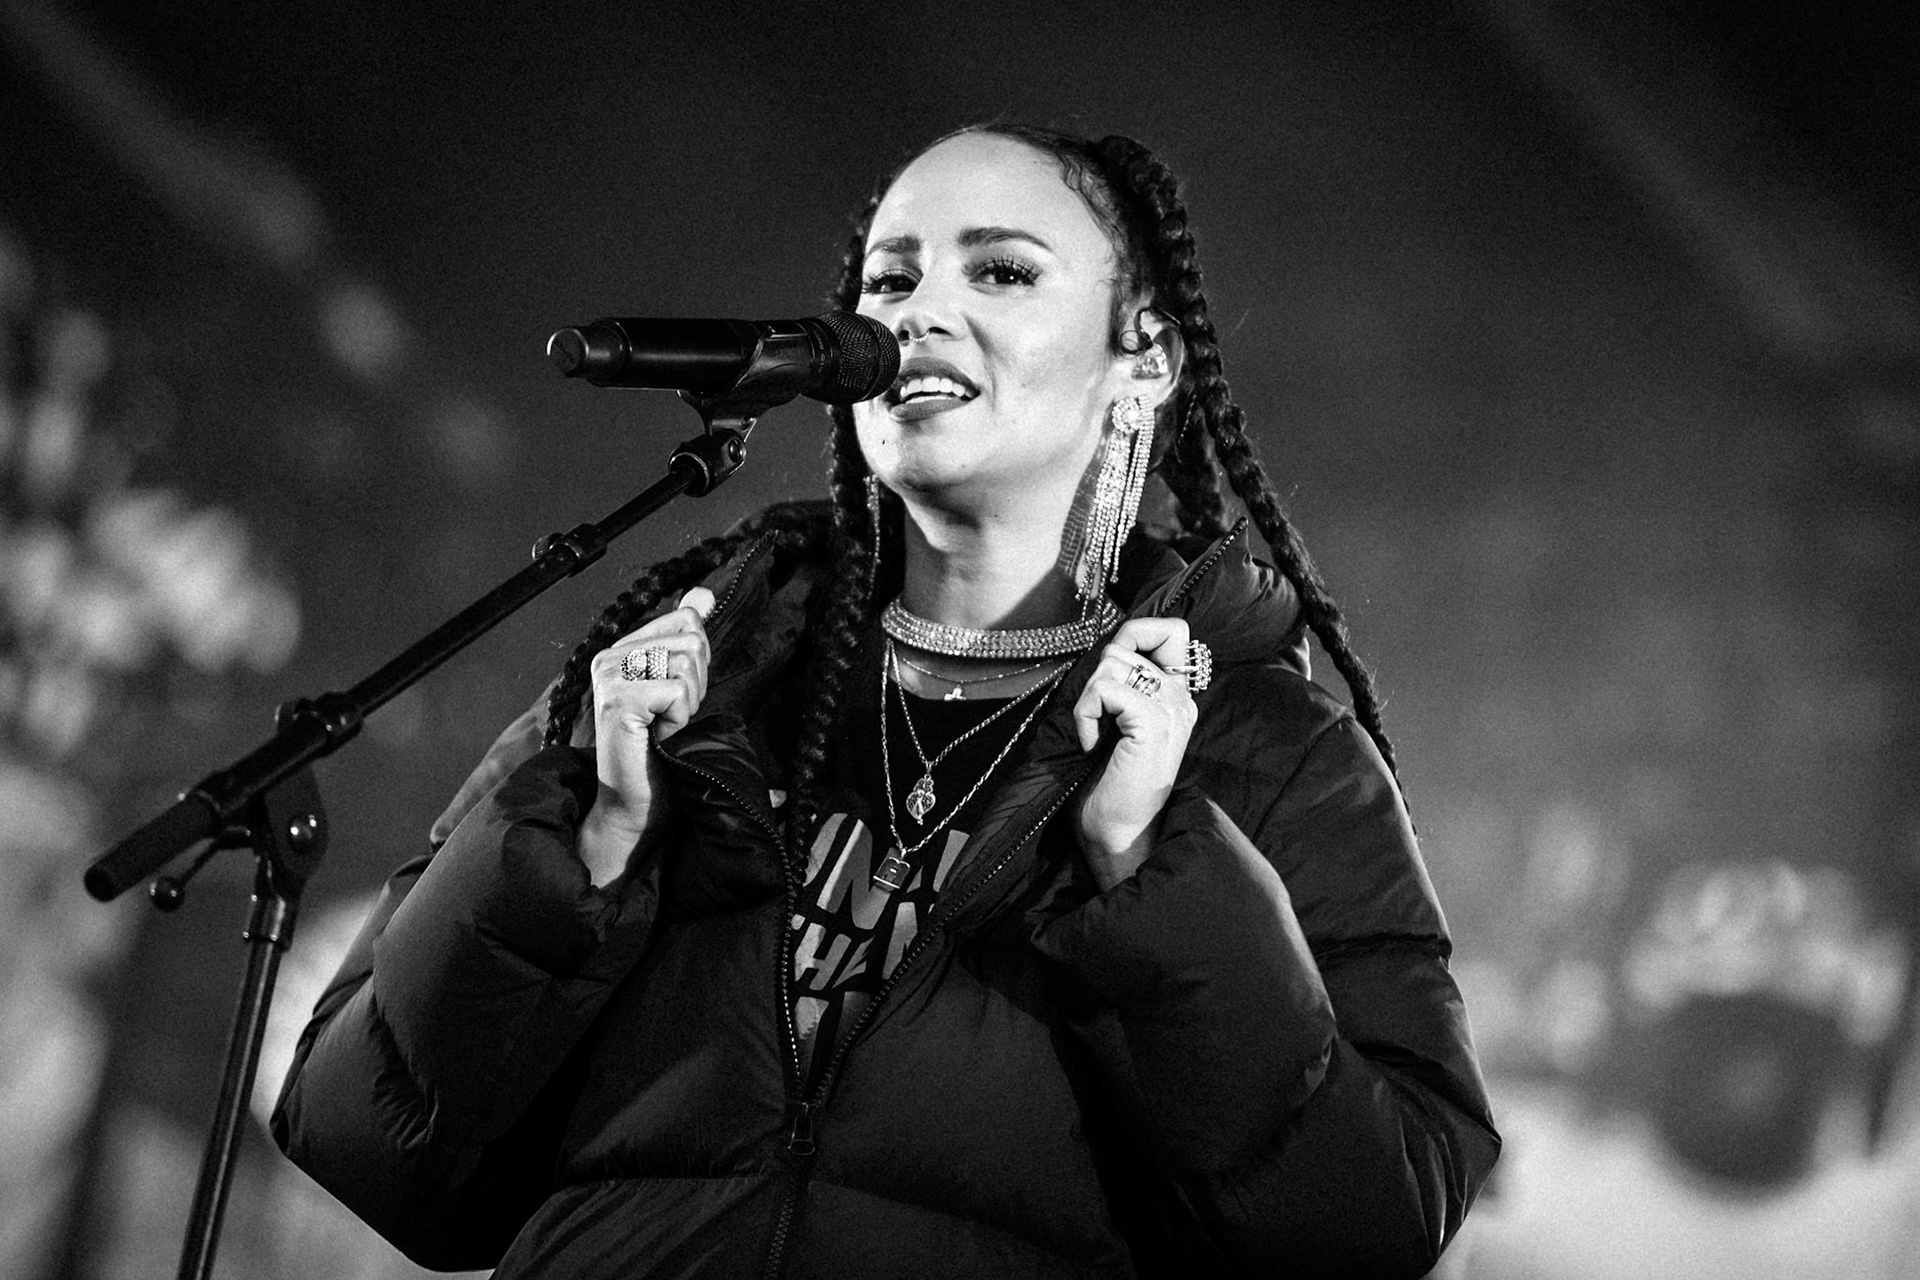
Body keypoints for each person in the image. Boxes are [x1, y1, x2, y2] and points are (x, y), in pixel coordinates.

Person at [272, 123, 1499, 1278]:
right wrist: (570, 861)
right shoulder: (703, 670)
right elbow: (370, 1139)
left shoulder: (1268, 749)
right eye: (889, 282)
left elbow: (1373, 1225)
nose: (921, 318)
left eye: (1003, 273)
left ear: (1147, 359)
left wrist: (1151, 866)